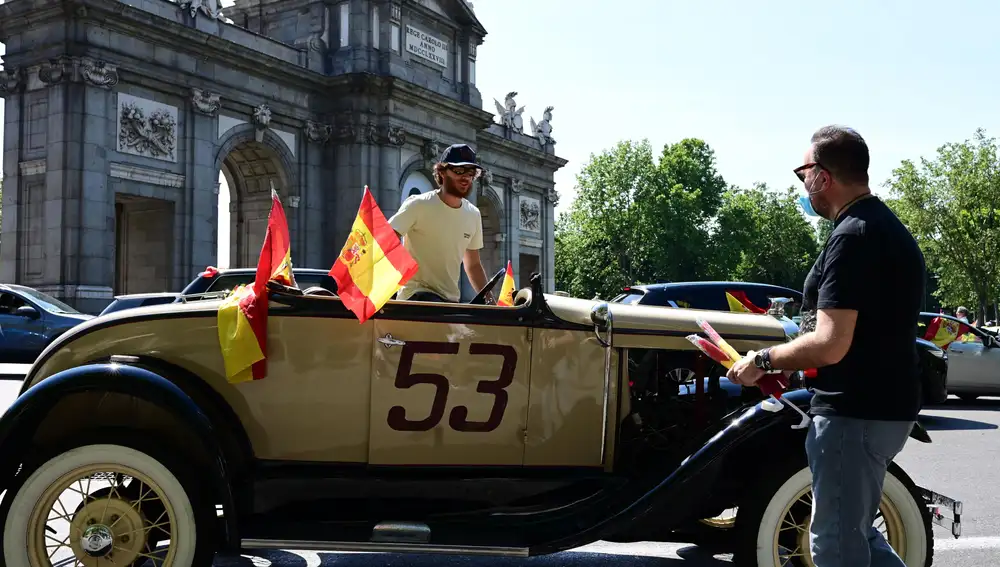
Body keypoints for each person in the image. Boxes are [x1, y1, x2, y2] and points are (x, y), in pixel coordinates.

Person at [727, 126, 926, 567]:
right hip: (880, 408)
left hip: (853, 413)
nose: (802, 186)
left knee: (835, 545)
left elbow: (831, 343)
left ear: (822, 175)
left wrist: (761, 359)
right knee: (858, 537)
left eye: (803, 174)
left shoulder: (853, 235)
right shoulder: (881, 227)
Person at [388, 143, 492, 303]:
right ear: (442, 172)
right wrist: (402, 272)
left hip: (449, 301)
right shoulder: (418, 204)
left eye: (471, 172)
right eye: (459, 171)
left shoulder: (473, 214)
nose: (465, 177)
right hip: (416, 297)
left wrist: (490, 300)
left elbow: (473, 265)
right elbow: (387, 239)